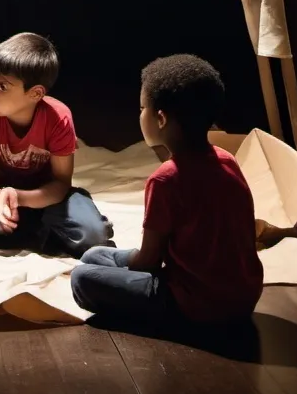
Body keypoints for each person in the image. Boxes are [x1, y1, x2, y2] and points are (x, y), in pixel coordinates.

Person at [71, 54, 264, 327]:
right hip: (244, 296)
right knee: (93, 255)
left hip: (196, 303)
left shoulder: (166, 179)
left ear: (160, 118)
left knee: (83, 278)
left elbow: (148, 262)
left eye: (142, 108)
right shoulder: (226, 159)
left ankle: (165, 316)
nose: (139, 115)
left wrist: (133, 273)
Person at [0, 32, 111, 257]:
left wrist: (19, 198)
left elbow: (60, 184)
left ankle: (29, 231)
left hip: (48, 199)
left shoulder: (59, 117)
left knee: (93, 237)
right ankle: (32, 234)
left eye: (2, 86)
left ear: (36, 93)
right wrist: (3, 198)